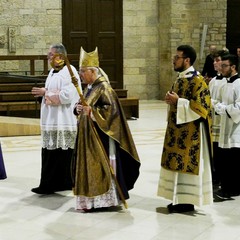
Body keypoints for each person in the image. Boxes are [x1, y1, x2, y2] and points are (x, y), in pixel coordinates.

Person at [72, 47, 140, 212]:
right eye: (80, 71)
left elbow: (111, 112)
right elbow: (84, 105)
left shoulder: (104, 87)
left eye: (83, 71)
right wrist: (78, 108)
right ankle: (90, 200)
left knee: (100, 167)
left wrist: (92, 112)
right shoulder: (90, 87)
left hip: (100, 138)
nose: (80, 75)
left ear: (92, 71)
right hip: (88, 138)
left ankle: (104, 201)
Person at [157, 45, 213, 213]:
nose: (174, 60)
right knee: (175, 165)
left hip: (191, 135)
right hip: (176, 131)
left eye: (177, 57)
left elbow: (203, 108)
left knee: (186, 165)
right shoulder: (180, 78)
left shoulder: (198, 80)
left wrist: (179, 101)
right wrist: (172, 100)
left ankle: (187, 201)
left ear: (187, 60)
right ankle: (178, 198)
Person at [31, 43, 81, 194]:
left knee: (61, 154)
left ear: (61, 56)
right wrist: (44, 93)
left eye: (51, 55)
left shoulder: (70, 72)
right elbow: (54, 91)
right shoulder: (53, 71)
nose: (48, 57)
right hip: (51, 120)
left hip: (63, 120)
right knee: (51, 152)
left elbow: (66, 96)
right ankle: (56, 183)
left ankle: (52, 184)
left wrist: (45, 93)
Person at [214, 54, 240, 199]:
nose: (221, 68)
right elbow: (218, 103)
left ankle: (233, 189)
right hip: (225, 126)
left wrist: (222, 108)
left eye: (224, 66)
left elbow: (238, 108)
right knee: (225, 160)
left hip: (236, 130)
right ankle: (225, 187)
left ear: (233, 67)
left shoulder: (239, 84)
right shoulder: (224, 83)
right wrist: (221, 107)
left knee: (234, 162)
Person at [208, 50, 227, 186]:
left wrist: (213, 103)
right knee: (213, 149)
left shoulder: (228, 82)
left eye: (218, 60)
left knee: (222, 151)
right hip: (212, 121)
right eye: (214, 61)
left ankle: (222, 176)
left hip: (222, 120)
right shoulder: (213, 80)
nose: (215, 63)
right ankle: (214, 175)